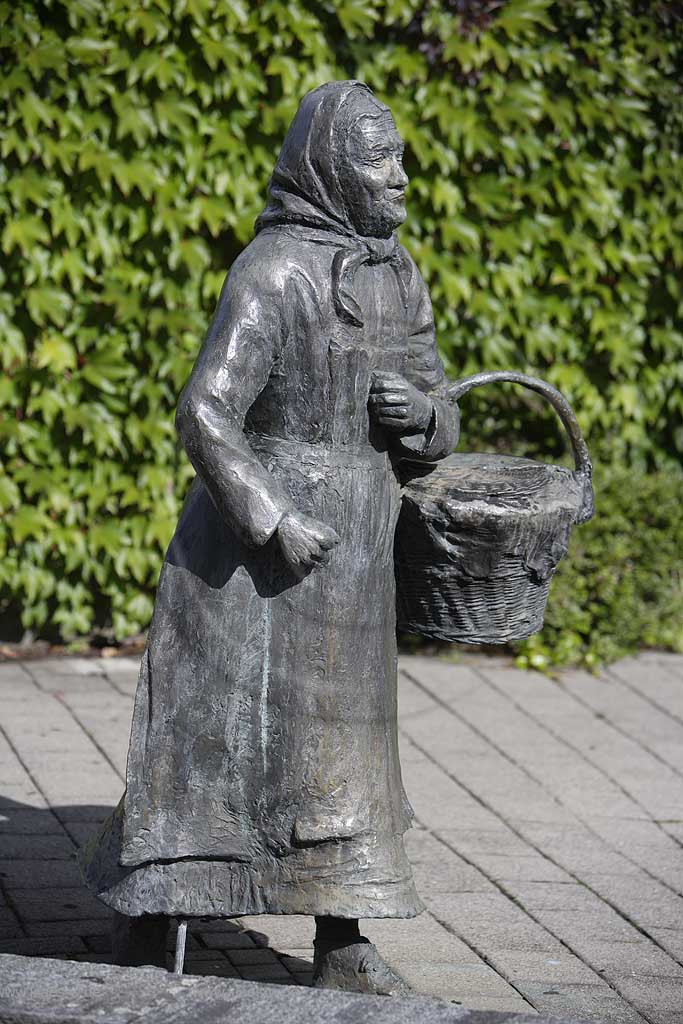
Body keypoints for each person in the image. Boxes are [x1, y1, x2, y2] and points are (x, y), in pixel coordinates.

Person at [82, 80, 459, 994]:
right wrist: (271, 516)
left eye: (400, 153)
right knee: (205, 737)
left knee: (344, 749)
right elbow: (207, 410)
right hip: (251, 560)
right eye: (380, 156)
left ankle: (343, 935)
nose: (401, 175)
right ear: (331, 165)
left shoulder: (396, 273)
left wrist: (422, 418)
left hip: (356, 550)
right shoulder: (275, 269)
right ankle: (157, 909)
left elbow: (445, 401)